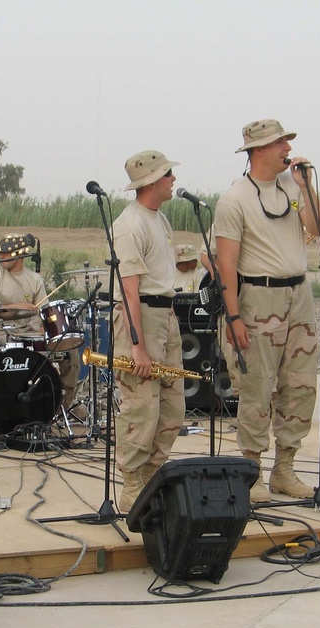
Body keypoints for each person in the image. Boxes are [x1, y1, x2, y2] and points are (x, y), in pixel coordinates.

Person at [215, 119, 320, 500]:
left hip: (298, 294)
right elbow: (226, 264)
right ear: (258, 150)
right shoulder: (235, 199)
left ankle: (285, 469)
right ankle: (252, 471)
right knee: (258, 388)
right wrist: (233, 317)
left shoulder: (293, 187)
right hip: (258, 297)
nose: (287, 148)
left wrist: (306, 187)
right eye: (280, 142)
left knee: (300, 385)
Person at [111, 150, 185, 511]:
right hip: (141, 317)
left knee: (172, 407)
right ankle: (131, 484)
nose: (173, 180)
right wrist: (137, 346)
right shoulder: (130, 224)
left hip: (165, 315)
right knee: (141, 407)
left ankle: (153, 477)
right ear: (151, 181)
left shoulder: (160, 219)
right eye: (168, 174)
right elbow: (128, 291)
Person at [0, 238, 81, 413]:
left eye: (6, 252)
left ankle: (62, 405)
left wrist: (46, 328)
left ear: (21, 254)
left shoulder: (34, 279)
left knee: (70, 350)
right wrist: (17, 308)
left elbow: (45, 313)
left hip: (26, 332)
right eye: (0, 253)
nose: (1, 256)